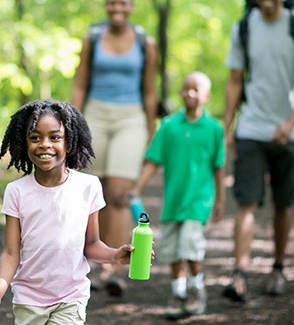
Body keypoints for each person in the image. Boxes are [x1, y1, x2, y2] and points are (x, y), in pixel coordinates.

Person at [0, 99, 136, 325]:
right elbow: (11, 253)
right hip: (28, 300)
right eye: (35, 137)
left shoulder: (88, 187)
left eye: (55, 137)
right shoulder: (16, 191)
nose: (45, 144)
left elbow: (90, 245)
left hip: (71, 298)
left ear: (69, 142)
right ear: (25, 144)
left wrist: (114, 255)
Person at [71, 0, 157, 295]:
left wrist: (150, 129)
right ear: (106, 6)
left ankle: (116, 269)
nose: (117, 7)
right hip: (95, 115)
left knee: (121, 194)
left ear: (131, 6)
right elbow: (80, 84)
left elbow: (149, 90)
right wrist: (73, 122)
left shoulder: (146, 42)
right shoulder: (92, 38)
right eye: (111, 2)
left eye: (123, 2)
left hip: (130, 117)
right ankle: (95, 260)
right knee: (96, 191)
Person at [131, 72, 225, 319]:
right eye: (186, 89)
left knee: (190, 246)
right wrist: (137, 187)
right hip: (174, 201)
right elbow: (153, 160)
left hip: (198, 200)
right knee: (172, 250)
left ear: (206, 95)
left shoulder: (214, 129)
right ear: (180, 92)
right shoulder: (169, 126)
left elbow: (219, 166)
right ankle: (178, 293)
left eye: (196, 90)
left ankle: (196, 289)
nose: (190, 94)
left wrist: (221, 200)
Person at [223, 0, 294, 303]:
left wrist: (290, 123)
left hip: (289, 133)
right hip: (251, 129)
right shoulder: (244, 27)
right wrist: (227, 127)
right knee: (246, 202)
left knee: (283, 204)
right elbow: (235, 79)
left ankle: (278, 268)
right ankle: (239, 274)